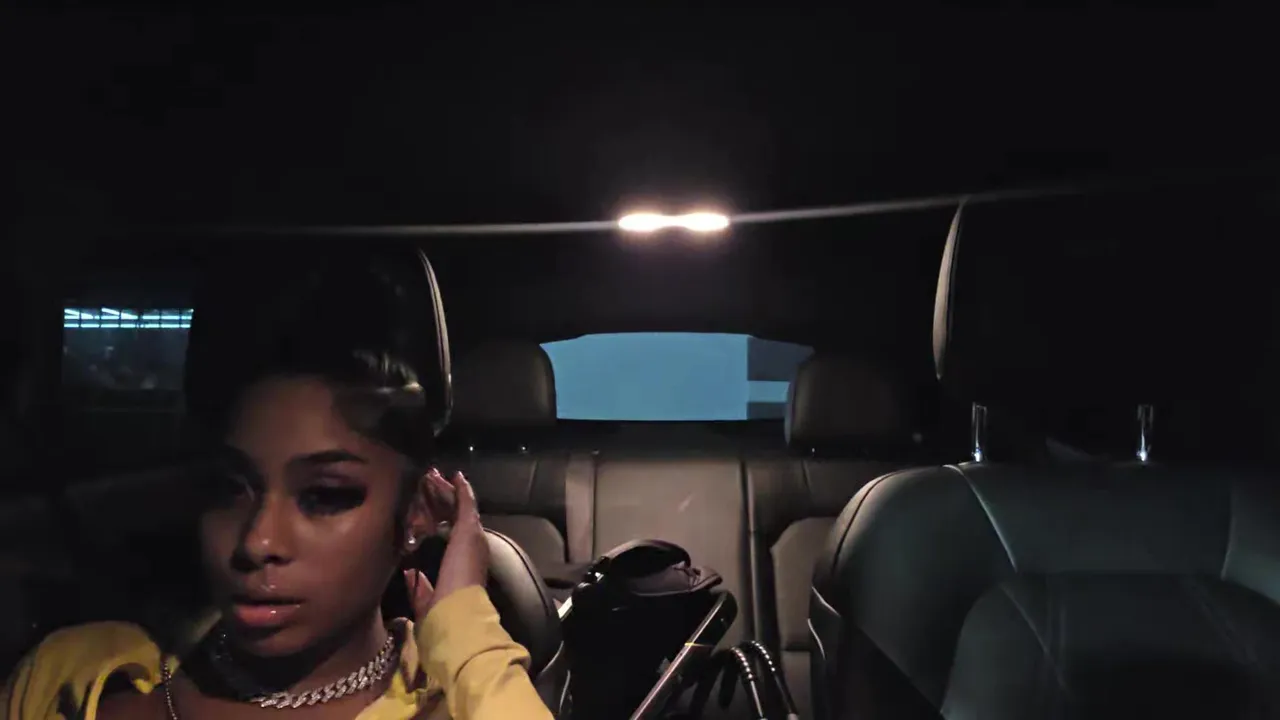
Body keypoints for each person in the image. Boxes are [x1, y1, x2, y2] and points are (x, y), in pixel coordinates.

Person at [2, 348, 555, 719]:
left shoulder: (454, 703)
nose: (256, 543)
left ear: (414, 517)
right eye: (231, 489)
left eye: (324, 496)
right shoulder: (76, 672)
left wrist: (464, 630)